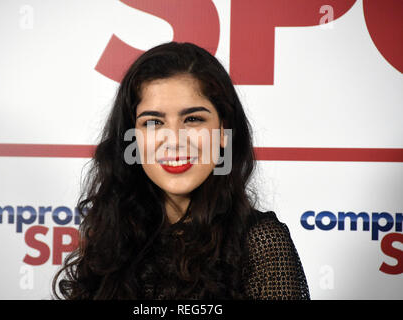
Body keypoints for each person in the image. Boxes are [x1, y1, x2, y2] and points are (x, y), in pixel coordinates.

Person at [52, 41, 310, 300]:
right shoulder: (111, 238)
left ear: (223, 131)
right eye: (153, 122)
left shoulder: (261, 244)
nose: (174, 140)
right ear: (133, 138)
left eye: (193, 119)